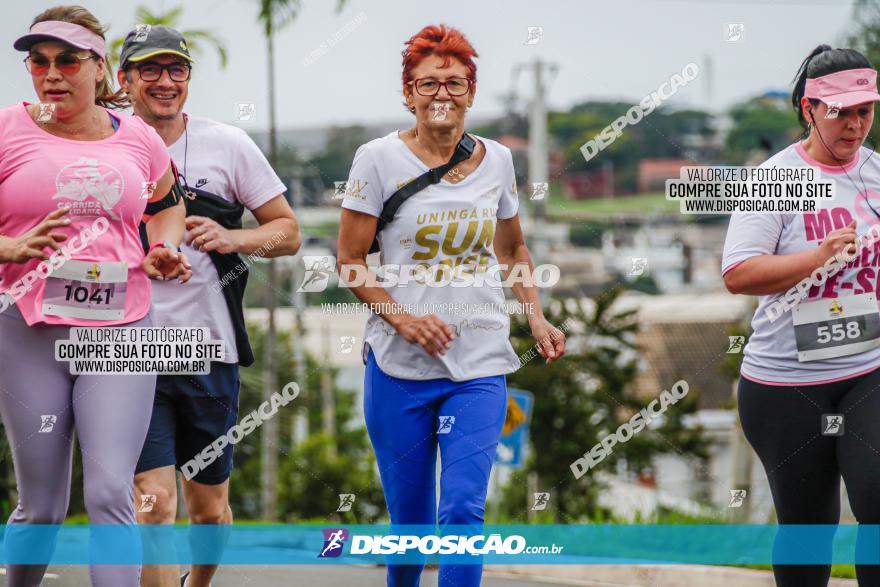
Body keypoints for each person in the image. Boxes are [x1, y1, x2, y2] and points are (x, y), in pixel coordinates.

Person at [337, 24, 565, 587]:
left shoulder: (499, 162)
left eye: (455, 83)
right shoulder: (377, 160)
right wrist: (404, 320)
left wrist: (534, 314)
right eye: (429, 83)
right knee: (411, 525)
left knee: (463, 511)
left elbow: (511, 247)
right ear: (408, 92)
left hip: (480, 361)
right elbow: (349, 261)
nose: (443, 94)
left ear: (472, 90)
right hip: (398, 367)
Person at [0, 6, 191, 587]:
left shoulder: (136, 136)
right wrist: (9, 249)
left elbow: (167, 204)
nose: (52, 73)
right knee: (44, 507)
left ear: (98, 66)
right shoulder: (7, 130)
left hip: (122, 325)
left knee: (112, 491)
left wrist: (163, 246)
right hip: (26, 329)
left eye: (67, 61)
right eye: (39, 61)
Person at [116, 24, 300, 587]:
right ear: (123, 81)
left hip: (208, 352)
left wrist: (233, 239)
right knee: (152, 500)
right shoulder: (107, 145)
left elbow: (288, 233)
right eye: (149, 69)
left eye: (176, 70)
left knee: (209, 509)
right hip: (126, 351)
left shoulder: (230, 144)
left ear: (189, 79)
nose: (165, 81)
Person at [723, 45, 880, 587]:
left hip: (869, 369)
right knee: (809, 526)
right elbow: (738, 274)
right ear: (810, 108)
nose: (855, 124)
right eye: (842, 112)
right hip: (786, 384)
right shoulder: (779, 178)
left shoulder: (878, 171)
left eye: (866, 110)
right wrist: (815, 258)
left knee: (877, 501)